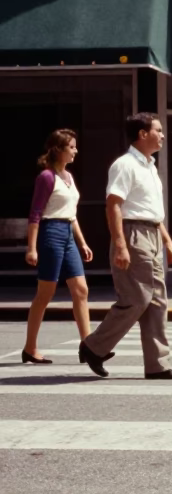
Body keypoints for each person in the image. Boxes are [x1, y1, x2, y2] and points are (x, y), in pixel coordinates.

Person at [78, 113, 172, 380]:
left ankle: (157, 365)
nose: (162, 135)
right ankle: (94, 346)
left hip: (151, 232)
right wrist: (120, 245)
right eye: (158, 130)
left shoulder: (150, 166)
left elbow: (150, 211)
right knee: (138, 299)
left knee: (158, 302)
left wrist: (167, 240)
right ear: (142, 134)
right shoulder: (124, 165)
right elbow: (114, 205)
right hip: (132, 234)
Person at [22, 129, 94, 365]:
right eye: (71, 146)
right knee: (45, 294)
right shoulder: (46, 177)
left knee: (81, 290)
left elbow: (72, 215)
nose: (76, 150)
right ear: (58, 149)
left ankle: (89, 347)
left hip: (68, 235)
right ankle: (30, 348)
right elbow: (35, 214)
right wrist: (32, 248)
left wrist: (82, 242)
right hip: (50, 232)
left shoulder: (69, 177)